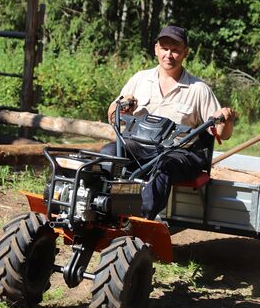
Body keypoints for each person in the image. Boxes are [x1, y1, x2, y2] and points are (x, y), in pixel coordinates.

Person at [101, 25, 235, 220]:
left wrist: (227, 119)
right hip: (139, 146)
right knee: (108, 153)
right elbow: (112, 115)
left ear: (185, 52)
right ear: (156, 49)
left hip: (180, 153)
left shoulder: (198, 89)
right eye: (165, 48)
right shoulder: (140, 79)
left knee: (164, 165)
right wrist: (120, 107)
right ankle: (104, 208)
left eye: (175, 50)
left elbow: (223, 134)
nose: (169, 55)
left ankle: (140, 219)